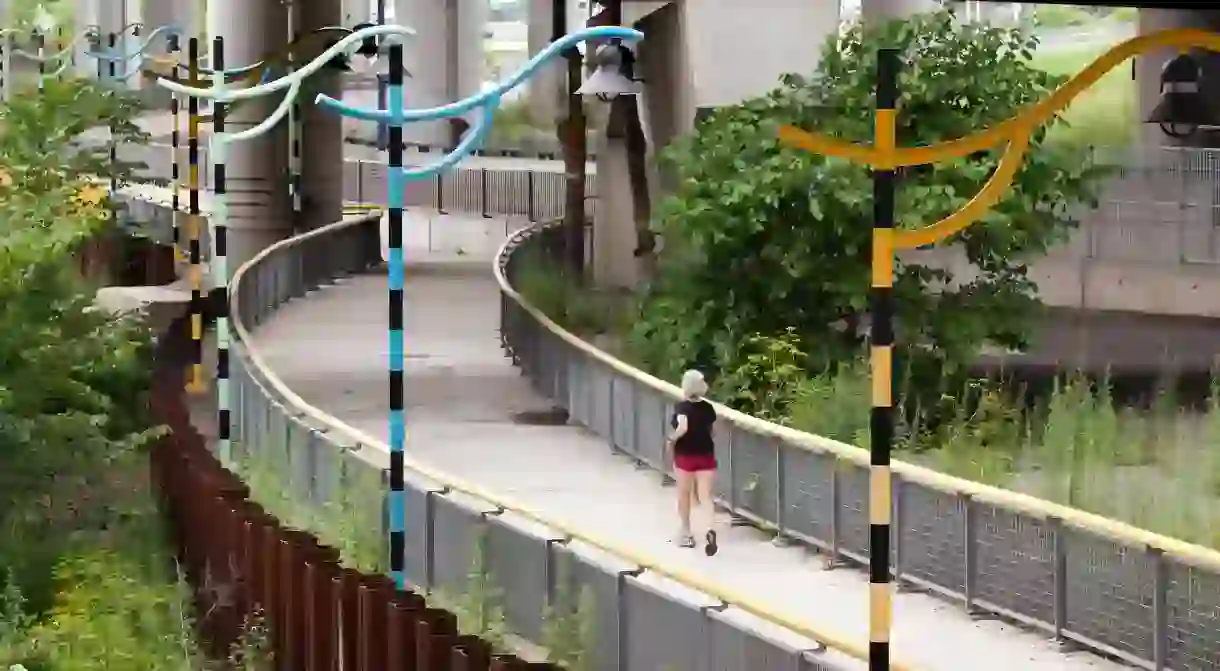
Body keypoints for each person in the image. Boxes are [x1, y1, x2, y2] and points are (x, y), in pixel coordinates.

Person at [665, 369, 718, 555]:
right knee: (706, 496)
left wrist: (671, 439)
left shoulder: (682, 407)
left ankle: (686, 532)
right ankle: (710, 529)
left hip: (685, 456)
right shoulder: (708, 408)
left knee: (684, 494)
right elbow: (711, 432)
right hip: (706, 455)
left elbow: (683, 427)